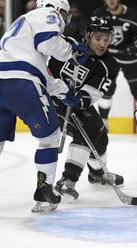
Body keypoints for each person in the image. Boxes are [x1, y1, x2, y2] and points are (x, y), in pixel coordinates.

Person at [0, 0, 88, 212]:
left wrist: (64, 92)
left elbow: (41, 72)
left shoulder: (20, 28)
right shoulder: (47, 13)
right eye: (64, 13)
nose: (64, 19)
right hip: (21, 84)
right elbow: (47, 43)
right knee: (49, 139)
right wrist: (71, 49)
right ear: (57, 7)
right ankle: (45, 190)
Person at [48, 16, 124, 200]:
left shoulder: (109, 65)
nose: (102, 44)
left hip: (73, 104)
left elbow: (93, 92)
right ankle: (67, 181)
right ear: (88, 36)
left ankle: (97, 174)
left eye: (106, 40)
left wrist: (80, 100)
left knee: (99, 134)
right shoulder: (68, 43)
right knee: (88, 129)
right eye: (98, 38)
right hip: (49, 99)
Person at [92, 0, 137, 128]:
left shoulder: (133, 15)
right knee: (106, 90)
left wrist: (134, 47)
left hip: (130, 60)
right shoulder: (99, 14)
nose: (111, 1)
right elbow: (91, 35)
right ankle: (103, 122)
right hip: (108, 59)